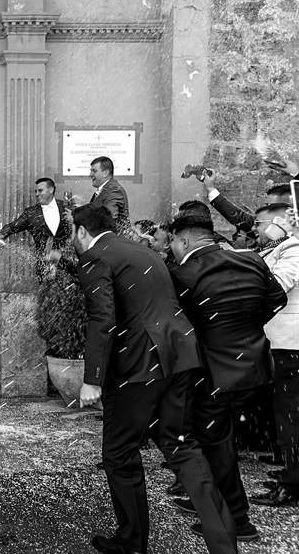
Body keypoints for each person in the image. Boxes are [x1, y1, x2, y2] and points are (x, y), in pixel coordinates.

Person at [71, 204, 237, 554]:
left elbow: (102, 318)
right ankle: (224, 542)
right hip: (180, 354)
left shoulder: (94, 256)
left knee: (119, 453)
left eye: (74, 233)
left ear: (81, 231)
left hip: (139, 365)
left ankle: (132, 542)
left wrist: (93, 379)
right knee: (180, 443)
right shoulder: (141, 250)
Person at [167, 214, 287, 542]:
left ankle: (237, 519)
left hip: (213, 373)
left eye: (172, 243)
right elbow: (278, 300)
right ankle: (208, 502)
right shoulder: (251, 262)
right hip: (255, 366)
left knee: (215, 443)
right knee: (222, 440)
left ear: (184, 241)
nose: (171, 249)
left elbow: (179, 325)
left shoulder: (183, 274)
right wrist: (244, 330)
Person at [250, 203, 299, 507]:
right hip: (279, 345)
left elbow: (279, 286)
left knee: (291, 417)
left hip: (291, 345)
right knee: (285, 415)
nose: (255, 228)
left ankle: (293, 485)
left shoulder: (294, 247)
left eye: (260, 223)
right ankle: (292, 471)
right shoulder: (280, 247)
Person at [198, 169, 292, 248]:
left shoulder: (291, 252)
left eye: (271, 207)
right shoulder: (264, 230)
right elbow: (237, 217)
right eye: (266, 205)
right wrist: (210, 187)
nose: (253, 227)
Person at [0, 177, 71, 264]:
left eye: (40, 190)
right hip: (44, 266)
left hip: (66, 264)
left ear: (51, 190)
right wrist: (1, 234)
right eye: (36, 191)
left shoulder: (65, 208)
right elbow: (13, 226)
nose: (37, 194)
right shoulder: (31, 213)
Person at [88, 156, 130, 234]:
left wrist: (80, 218)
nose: (90, 174)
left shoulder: (114, 190)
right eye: (91, 171)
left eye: (94, 171)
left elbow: (107, 220)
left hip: (114, 242)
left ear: (105, 173)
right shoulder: (106, 189)